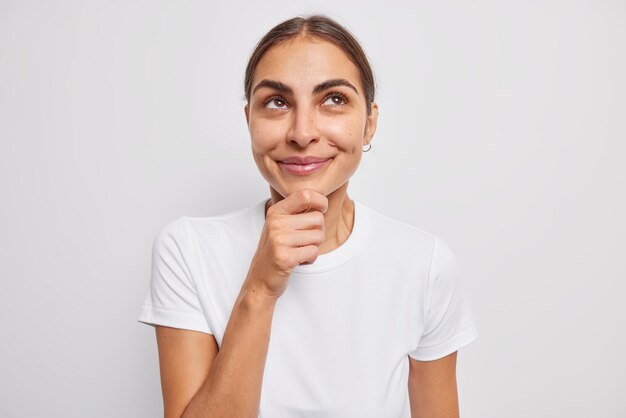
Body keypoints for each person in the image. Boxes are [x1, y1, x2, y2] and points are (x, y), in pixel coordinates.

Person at [137, 13, 479, 418]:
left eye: (333, 99)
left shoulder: (424, 263)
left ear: (369, 123)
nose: (302, 132)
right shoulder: (188, 249)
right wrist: (260, 288)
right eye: (277, 102)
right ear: (249, 119)